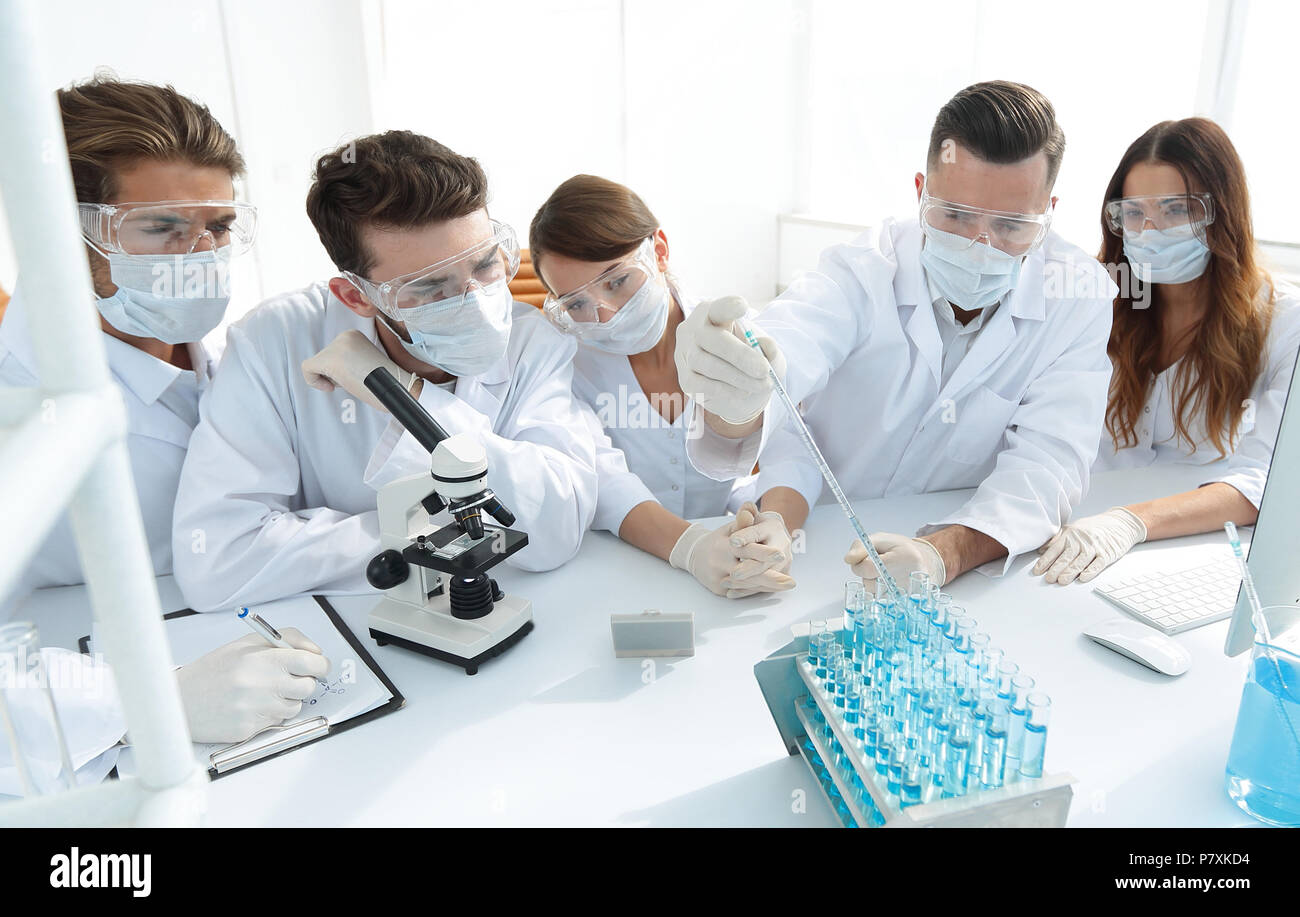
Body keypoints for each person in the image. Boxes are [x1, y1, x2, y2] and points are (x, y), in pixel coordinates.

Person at [673, 81, 1116, 589]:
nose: (980, 244)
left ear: (1049, 211)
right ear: (920, 192)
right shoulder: (864, 269)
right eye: (955, 215)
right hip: (816, 544)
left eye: (1011, 225)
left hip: (964, 562)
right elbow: (791, 353)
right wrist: (738, 394)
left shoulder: (1077, 295)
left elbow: (1048, 466)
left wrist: (941, 554)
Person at [0, 76, 326, 766]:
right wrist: (147, 702)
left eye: (219, 227)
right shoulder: (18, 409)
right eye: (162, 229)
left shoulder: (236, 353)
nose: (200, 257)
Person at [172, 131, 598, 611]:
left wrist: (407, 396)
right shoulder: (274, 341)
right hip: (346, 629)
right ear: (357, 297)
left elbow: (559, 528)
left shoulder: (534, 343)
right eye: (430, 288)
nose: (474, 301)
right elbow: (215, 560)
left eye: (484, 265)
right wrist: (441, 537)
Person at [1033, 118, 1300, 585]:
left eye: (1177, 210)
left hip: (1186, 548)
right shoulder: (1094, 297)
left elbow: (1268, 482)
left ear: (1224, 212)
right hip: (1066, 537)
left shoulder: (1282, 320)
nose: (1151, 231)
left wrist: (1130, 522)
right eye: (1134, 213)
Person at [527, 175, 794, 598]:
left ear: (660, 251)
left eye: (617, 280)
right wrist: (691, 549)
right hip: (618, 564)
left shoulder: (732, 334)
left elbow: (788, 445)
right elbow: (601, 475)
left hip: (725, 550)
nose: (607, 311)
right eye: (577, 303)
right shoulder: (563, 362)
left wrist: (772, 522)